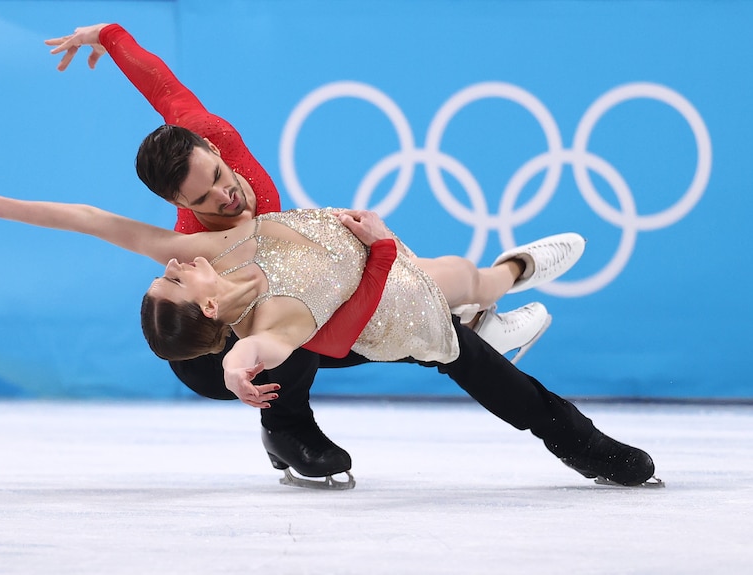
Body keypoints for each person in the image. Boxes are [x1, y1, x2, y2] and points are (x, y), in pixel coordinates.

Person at [42, 23, 559, 485]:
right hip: (207, 351)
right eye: (203, 201)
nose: (226, 198)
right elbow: (93, 222)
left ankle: (492, 293)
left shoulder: (212, 137)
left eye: (221, 179)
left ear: (216, 153)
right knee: (296, 331)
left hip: (287, 307)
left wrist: (110, 36)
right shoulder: (197, 252)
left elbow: (163, 87)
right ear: (179, 203)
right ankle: (289, 429)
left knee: (412, 286)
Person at [0, 184, 662, 490]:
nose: (168, 263)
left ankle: (516, 293)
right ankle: (288, 431)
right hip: (270, 343)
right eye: (170, 279)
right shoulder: (258, 329)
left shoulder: (214, 239)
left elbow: (89, 219)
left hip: (353, 311)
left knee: (451, 303)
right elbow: (252, 353)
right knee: (325, 354)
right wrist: (237, 366)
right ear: (203, 304)